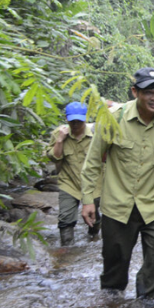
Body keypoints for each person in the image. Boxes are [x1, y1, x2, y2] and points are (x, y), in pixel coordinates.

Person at [81, 67, 154, 299]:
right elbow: (92, 161)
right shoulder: (113, 118)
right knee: (114, 272)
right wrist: (88, 200)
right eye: (148, 92)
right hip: (118, 206)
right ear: (134, 92)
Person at [45, 102, 101, 245]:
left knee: (94, 216)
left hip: (94, 184)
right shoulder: (58, 133)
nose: (75, 124)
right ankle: (67, 250)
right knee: (65, 219)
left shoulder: (96, 132)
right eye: (72, 121)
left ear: (85, 118)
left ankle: (93, 238)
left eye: (79, 121)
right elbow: (53, 157)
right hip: (68, 183)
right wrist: (59, 140)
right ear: (66, 119)